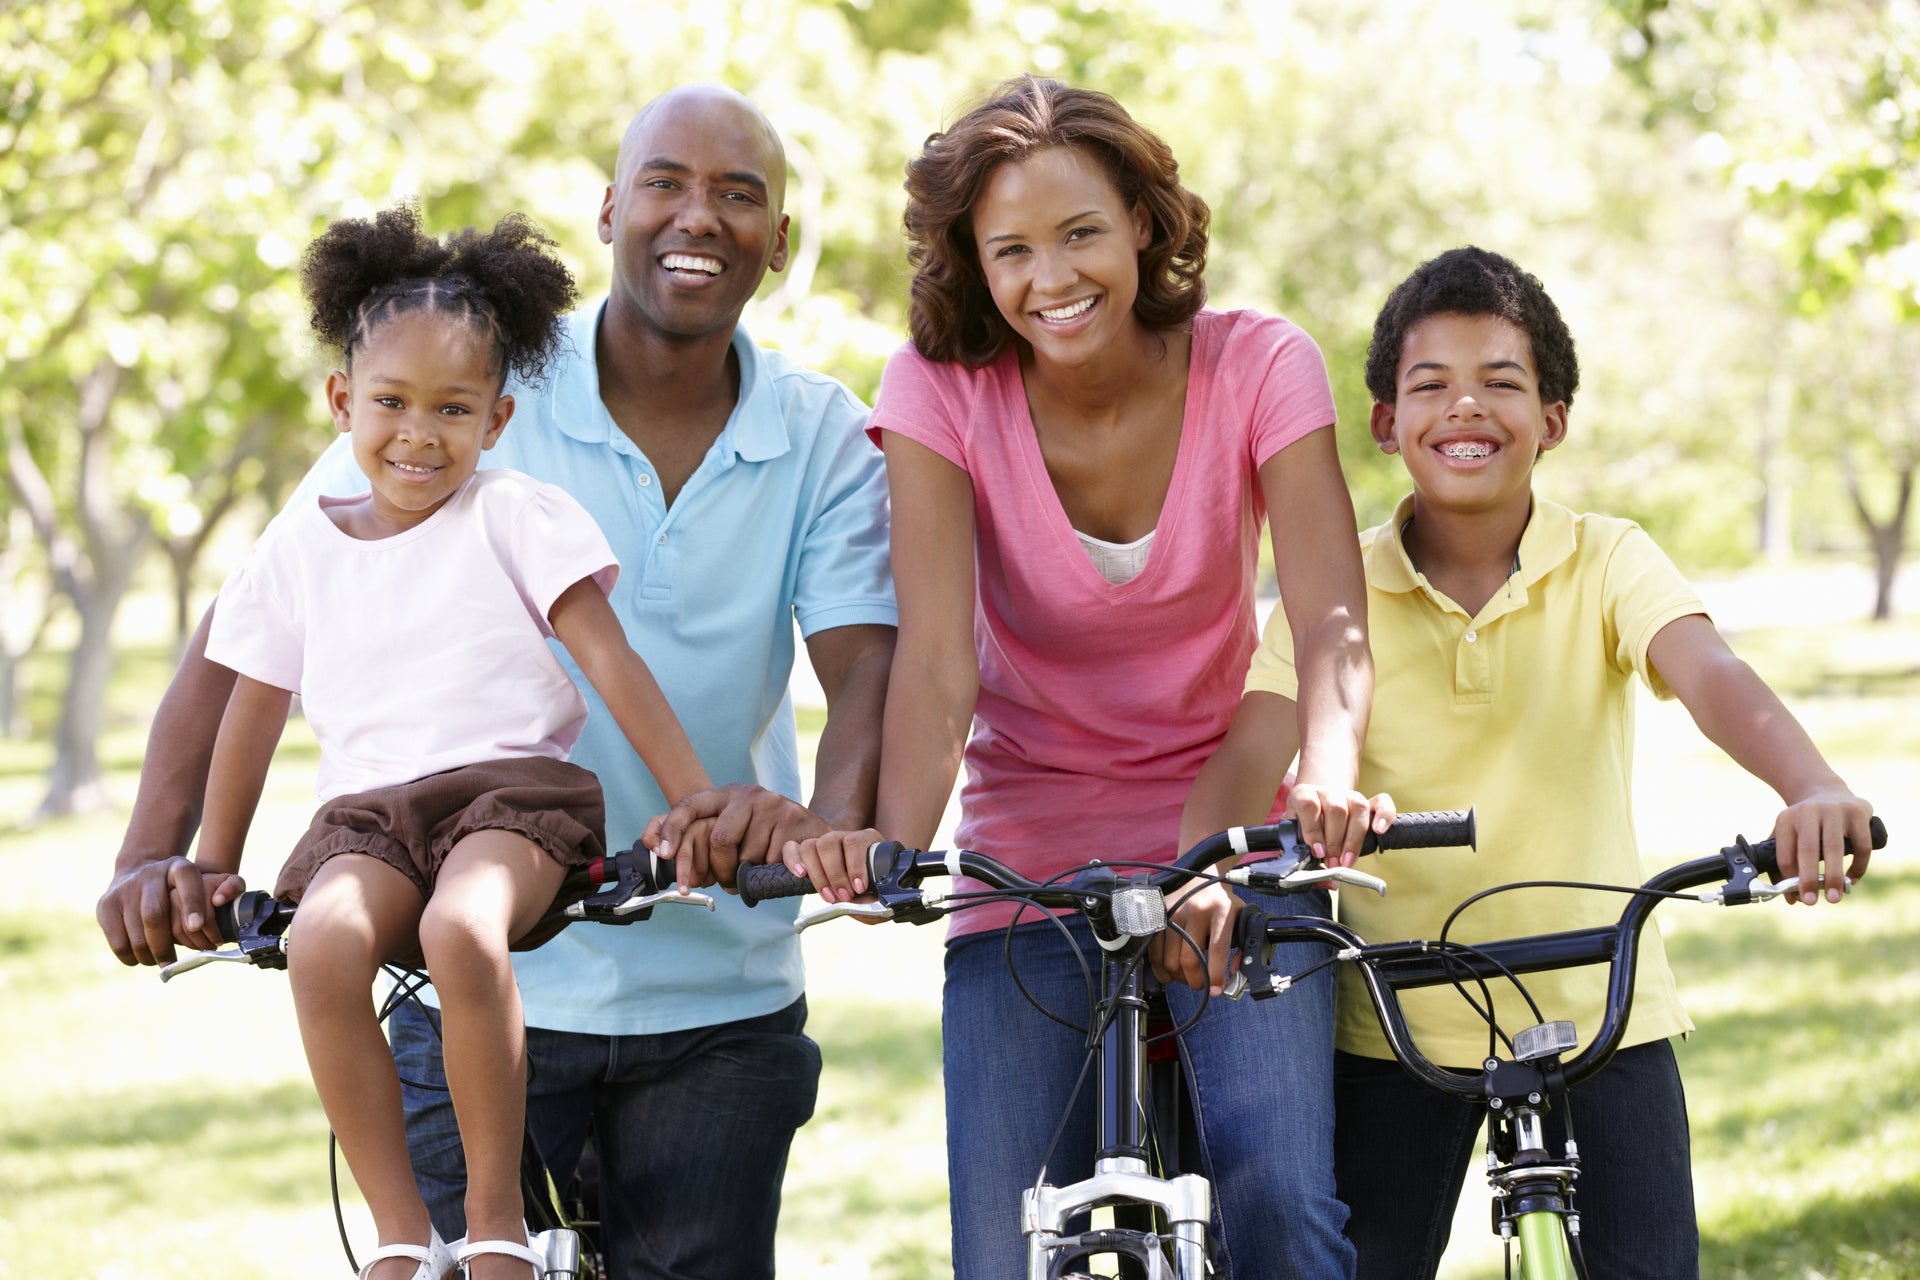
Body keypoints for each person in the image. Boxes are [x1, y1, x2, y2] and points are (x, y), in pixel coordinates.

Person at [97, 85, 896, 1280]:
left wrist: (827, 831)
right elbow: (250, 633)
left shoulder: (823, 432)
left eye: (741, 196)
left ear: (779, 243)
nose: (700, 216)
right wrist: (160, 855)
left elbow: (865, 664)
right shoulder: (454, 374)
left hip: (716, 978)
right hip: (475, 967)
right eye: (666, 183)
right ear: (610, 208)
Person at [773, 76, 1374, 1279]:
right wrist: (893, 843)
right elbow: (940, 661)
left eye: (1081, 232)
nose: (1053, 276)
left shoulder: (1261, 364)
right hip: (1027, 849)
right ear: (974, 264)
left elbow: (1330, 618)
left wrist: (1332, 774)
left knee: (1285, 1214)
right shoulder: (939, 390)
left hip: (1234, 837)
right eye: (1013, 250)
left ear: (1145, 224)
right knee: (1004, 1249)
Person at [1182, 245, 1877, 1279]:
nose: (1467, 407)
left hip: (1603, 1004)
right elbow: (1253, 746)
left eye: (1502, 382)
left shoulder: (1607, 557)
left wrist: (1811, 784)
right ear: (1385, 421)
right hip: (1398, 1016)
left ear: (1552, 418)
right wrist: (1211, 861)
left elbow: (1712, 672)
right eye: (1432, 385)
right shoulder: (1340, 584)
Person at [183, 204, 720, 1280]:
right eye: (389, 402)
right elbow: (252, 707)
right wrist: (210, 858)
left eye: (452, 408)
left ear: (498, 418)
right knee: (327, 943)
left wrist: (693, 797)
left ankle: (491, 1223)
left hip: (508, 798)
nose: (418, 433)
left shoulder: (518, 515)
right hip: (368, 815)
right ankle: (398, 1228)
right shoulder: (299, 545)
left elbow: (611, 662)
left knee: (461, 926)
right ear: (343, 401)